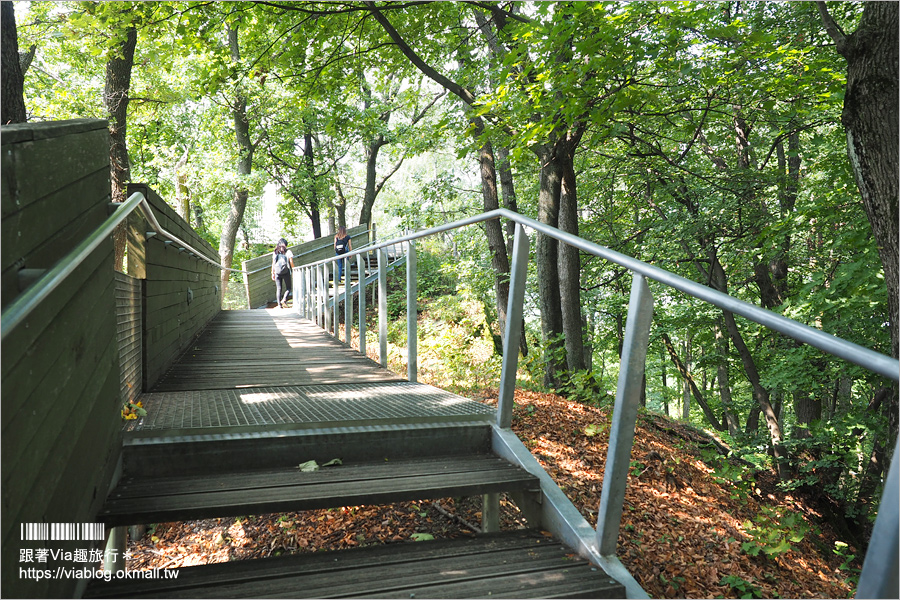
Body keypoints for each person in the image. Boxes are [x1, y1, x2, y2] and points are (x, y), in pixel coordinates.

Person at [271, 238, 294, 308]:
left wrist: (273, 273)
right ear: (286, 245)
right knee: (288, 288)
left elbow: (273, 263)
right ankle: (284, 299)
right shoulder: (288, 252)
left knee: (279, 288)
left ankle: (279, 305)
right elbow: (291, 262)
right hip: (286, 272)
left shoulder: (275, 252)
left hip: (277, 272)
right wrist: (293, 271)